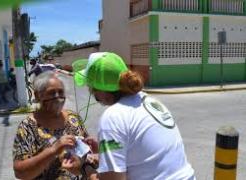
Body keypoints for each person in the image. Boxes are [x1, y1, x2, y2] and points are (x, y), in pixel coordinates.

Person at [71, 52, 196, 180]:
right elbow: (146, 155)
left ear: (102, 91)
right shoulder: (148, 100)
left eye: (91, 87)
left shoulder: (113, 116)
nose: (91, 91)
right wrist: (105, 153)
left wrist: (85, 168)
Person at [12, 71, 97, 179]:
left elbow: (87, 152)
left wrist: (94, 150)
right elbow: (20, 173)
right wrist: (53, 151)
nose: (58, 97)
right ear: (38, 96)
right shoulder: (28, 127)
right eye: (52, 93)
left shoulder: (73, 118)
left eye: (61, 92)